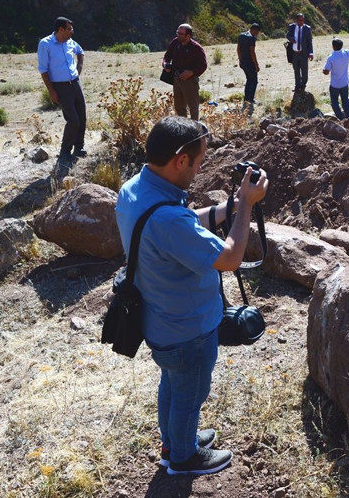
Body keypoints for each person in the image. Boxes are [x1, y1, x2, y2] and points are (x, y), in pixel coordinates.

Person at [115, 116, 268, 476]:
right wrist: (245, 205)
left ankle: (174, 443)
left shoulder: (136, 190)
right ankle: (184, 458)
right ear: (180, 160)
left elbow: (180, 222)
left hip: (160, 321)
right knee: (190, 393)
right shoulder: (168, 220)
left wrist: (225, 209)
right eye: (198, 162)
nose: (200, 169)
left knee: (173, 384)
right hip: (188, 330)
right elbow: (230, 259)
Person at [37, 16, 87, 160]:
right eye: (69, 29)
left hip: (75, 83)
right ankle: (65, 151)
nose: (72, 32)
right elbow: (43, 69)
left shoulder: (70, 42)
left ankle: (79, 147)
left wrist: (79, 69)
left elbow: (80, 52)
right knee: (73, 120)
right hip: (61, 87)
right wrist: (51, 91)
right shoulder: (45, 44)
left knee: (82, 117)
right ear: (60, 29)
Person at [163, 24, 207, 120]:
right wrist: (165, 64)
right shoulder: (175, 43)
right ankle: (183, 127)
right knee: (179, 107)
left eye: (181, 34)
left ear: (188, 35)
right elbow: (167, 56)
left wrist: (192, 72)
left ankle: (195, 128)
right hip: (176, 79)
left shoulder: (196, 48)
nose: (178, 35)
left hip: (190, 81)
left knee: (193, 107)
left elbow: (203, 65)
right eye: (177, 33)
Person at [322, 28, 349, 120]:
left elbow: (326, 71)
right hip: (344, 83)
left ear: (333, 46)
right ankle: (348, 116)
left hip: (335, 84)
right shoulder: (346, 53)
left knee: (334, 102)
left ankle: (340, 118)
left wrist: (324, 71)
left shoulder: (331, 57)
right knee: (345, 100)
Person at [237, 23, 261, 114]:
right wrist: (256, 64)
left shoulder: (241, 36)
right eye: (257, 32)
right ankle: (250, 100)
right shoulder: (252, 38)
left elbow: (238, 49)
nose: (257, 34)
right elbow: (252, 52)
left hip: (243, 62)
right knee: (254, 81)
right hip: (250, 62)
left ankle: (246, 99)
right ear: (254, 30)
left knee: (248, 79)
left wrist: (240, 60)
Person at [285, 13, 313, 92]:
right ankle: (297, 86)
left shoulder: (307, 28)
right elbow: (287, 35)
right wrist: (291, 39)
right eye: (300, 20)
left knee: (304, 71)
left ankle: (303, 85)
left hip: (303, 53)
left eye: (303, 20)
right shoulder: (292, 27)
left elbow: (309, 42)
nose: (301, 22)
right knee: (296, 70)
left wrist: (311, 53)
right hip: (294, 53)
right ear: (296, 20)